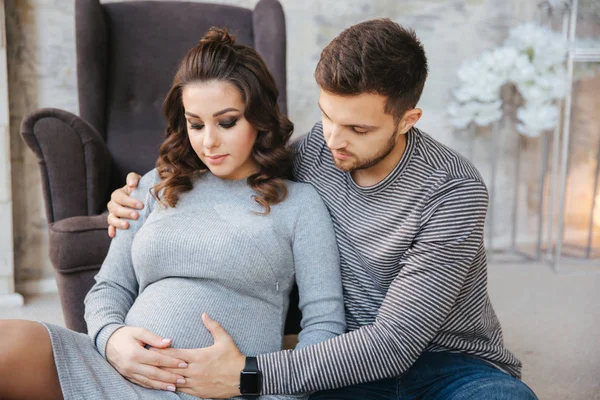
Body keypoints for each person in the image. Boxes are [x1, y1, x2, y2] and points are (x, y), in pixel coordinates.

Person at [108, 19, 539, 400]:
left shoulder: (453, 189)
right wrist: (134, 196)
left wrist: (248, 376)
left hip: (452, 364)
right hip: (342, 368)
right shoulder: (316, 151)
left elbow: (396, 341)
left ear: (408, 120)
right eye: (327, 116)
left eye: (358, 128)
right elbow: (236, 176)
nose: (334, 139)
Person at [0, 28, 347, 400]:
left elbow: (325, 326)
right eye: (195, 123)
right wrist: (111, 339)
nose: (208, 141)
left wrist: (265, 389)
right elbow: (109, 288)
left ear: (260, 118)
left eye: (226, 122)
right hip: (111, 369)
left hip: (220, 392)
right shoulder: (158, 184)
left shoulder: (299, 204)